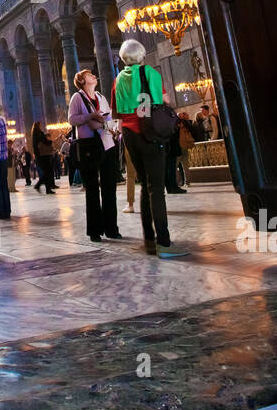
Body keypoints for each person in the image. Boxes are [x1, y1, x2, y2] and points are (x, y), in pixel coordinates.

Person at [112, 39, 186, 258]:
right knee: (157, 189)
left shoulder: (118, 78)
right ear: (141, 54)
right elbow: (163, 100)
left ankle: (149, 241)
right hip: (148, 132)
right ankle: (164, 243)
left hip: (129, 134)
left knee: (145, 184)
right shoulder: (149, 74)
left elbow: (117, 110)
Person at [68, 69, 123, 242]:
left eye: (93, 74)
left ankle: (111, 228)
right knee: (92, 189)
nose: (93, 76)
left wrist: (112, 126)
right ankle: (95, 230)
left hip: (106, 143)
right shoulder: (77, 97)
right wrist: (89, 116)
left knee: (109, 188)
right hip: (88, 146)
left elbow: (109, 118)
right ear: (82, 81)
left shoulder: (100, 97)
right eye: (89, 75)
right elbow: (72, 119)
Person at [31, 121, 58, 193]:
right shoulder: (40, 134)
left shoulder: (34, 135)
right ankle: (47, 189)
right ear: (38, 126)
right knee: (47, 172)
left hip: (39, 155)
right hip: (44, 155)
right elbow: (45, 141)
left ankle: (41, 186)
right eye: (40, 125)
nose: (41, 126)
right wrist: (50, 141)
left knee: (46, 171)